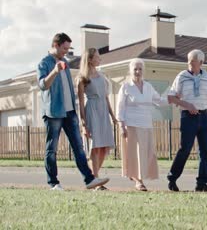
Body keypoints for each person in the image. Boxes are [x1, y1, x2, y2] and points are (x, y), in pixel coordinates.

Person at [37, 33, 109, 190]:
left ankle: (89, 179)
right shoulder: (44, 63)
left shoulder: (64, 62)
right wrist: (55, 71)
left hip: (70, 112)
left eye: (68, 48)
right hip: (54, 113)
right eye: (64, 48)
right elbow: (43, 85)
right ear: (55, 45)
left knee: (79, 148)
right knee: (52, 149)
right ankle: (53, 183)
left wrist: (76, 110)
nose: (66, 52)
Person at [167, 49, 207, 192]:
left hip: (204, 117)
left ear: (201, 62)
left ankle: (202, 183)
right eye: (188, 61)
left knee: (205, 152)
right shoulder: (182, 76)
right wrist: (188, 105)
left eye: (192, 61)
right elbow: (171, 97)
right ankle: (172, 179)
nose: (189, 64)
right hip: (188, 117)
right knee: (185, 149)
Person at [116, 58, 168, 191]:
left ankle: (136, 176)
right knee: (135, 154)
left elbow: (159, 101)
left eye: (140, 69)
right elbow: (120, 107)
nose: (138, 72)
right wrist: (121, 126)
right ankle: (139, 181)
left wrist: (173, 98)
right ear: (130, 71)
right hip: (131, 125)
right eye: (135, 69)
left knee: (147, 153)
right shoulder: (126, 87)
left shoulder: (148, 86)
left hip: (146, 124)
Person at [77, 48, 117, 190]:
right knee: (95, 146)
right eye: (97, 57)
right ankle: (96, 181)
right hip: (92, 111)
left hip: (103, 111)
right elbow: (81, 103)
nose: (100, 59)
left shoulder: (102, 76)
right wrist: (83, 123)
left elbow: (106, 97)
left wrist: (112, 115)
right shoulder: (82, 78)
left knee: (104, 146)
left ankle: (94, 178)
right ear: (90, 59)